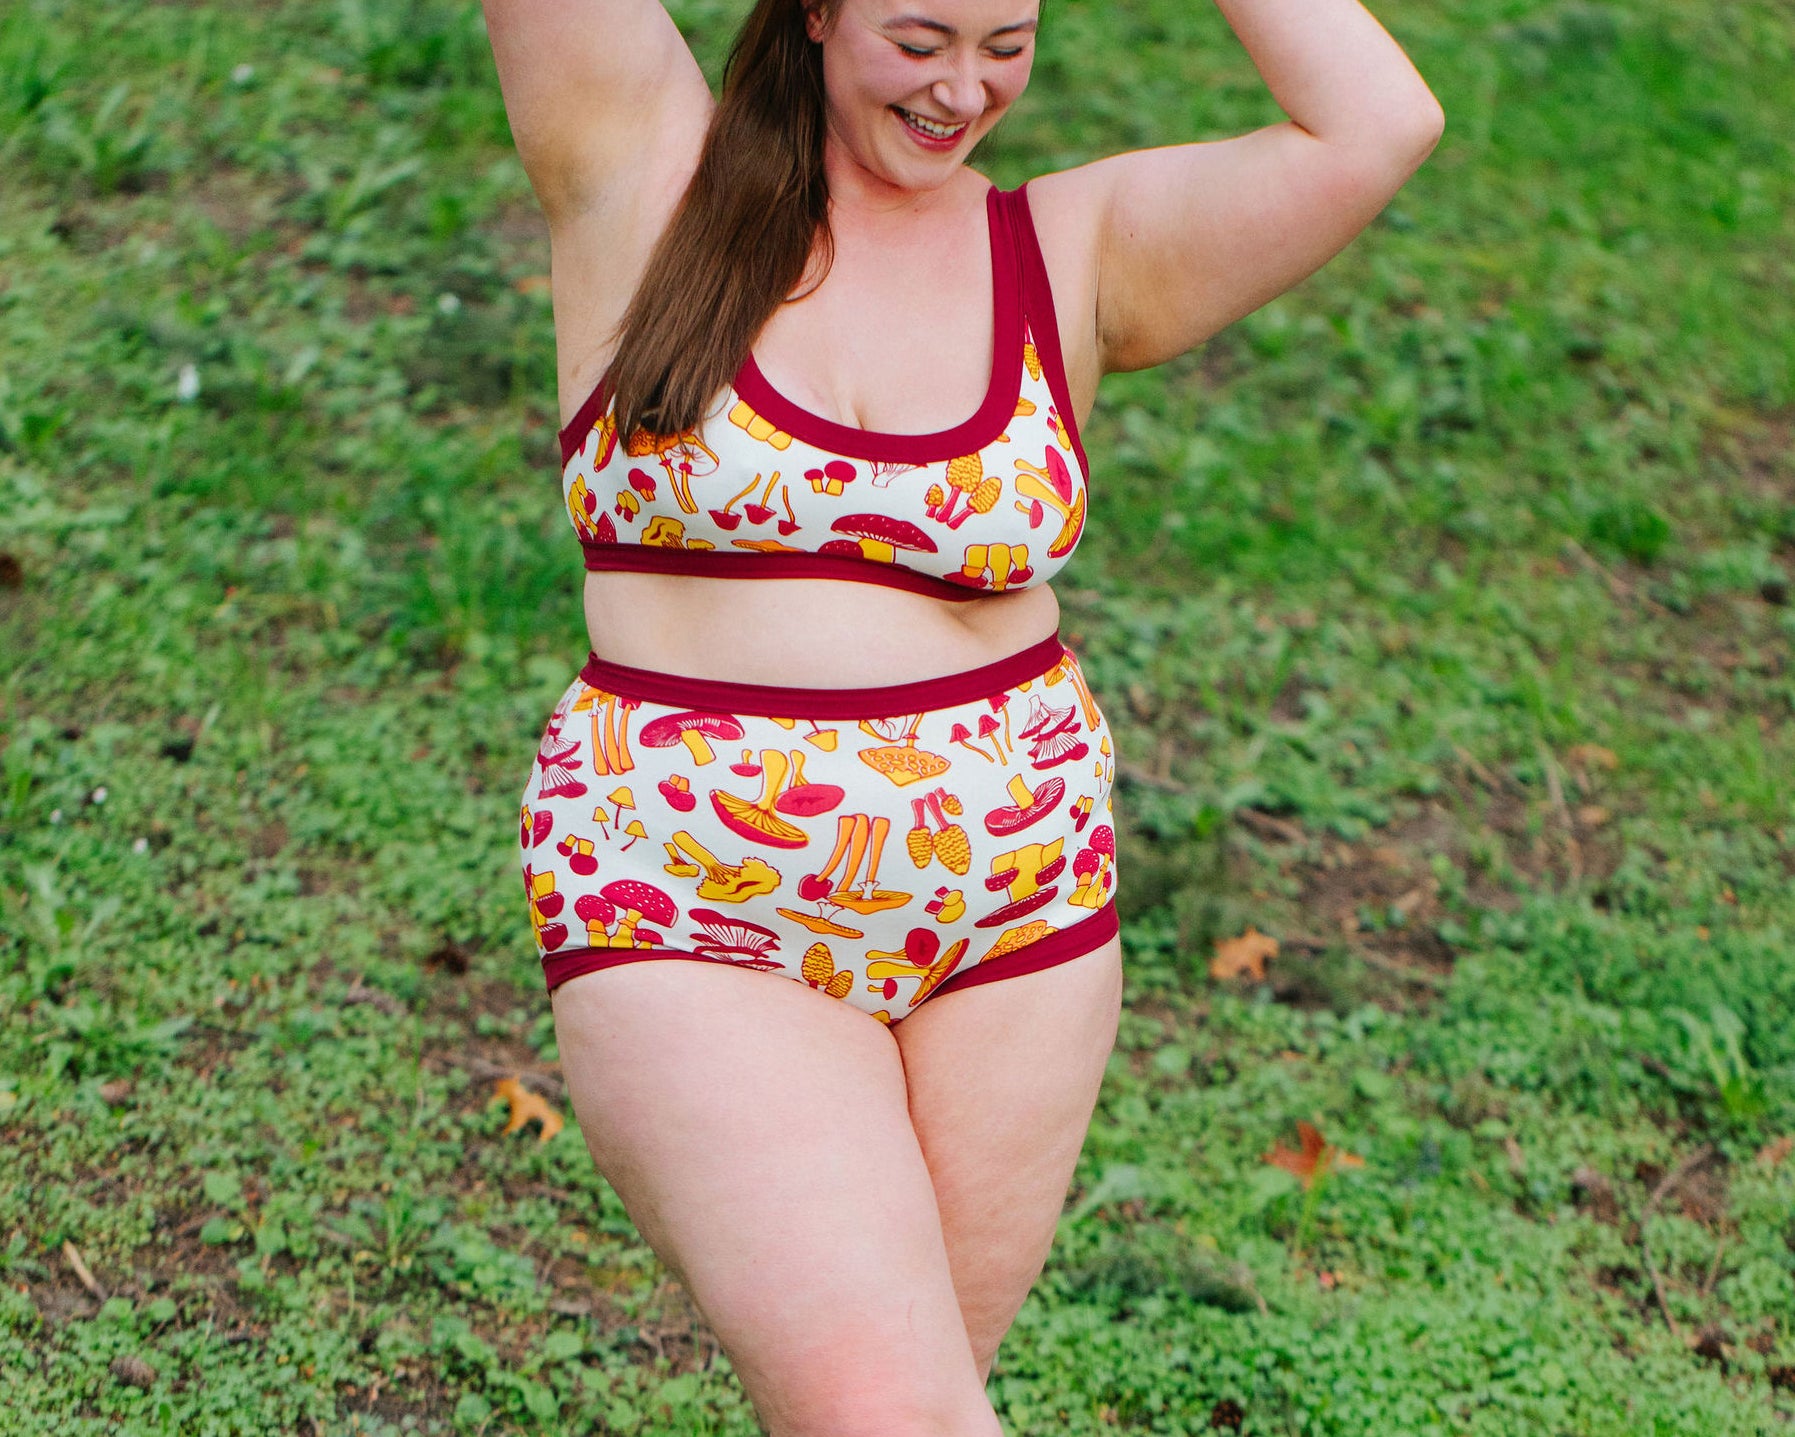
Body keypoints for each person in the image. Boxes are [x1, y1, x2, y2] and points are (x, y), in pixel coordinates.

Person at [483, 0, 1441, 1429]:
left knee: (905, 1400)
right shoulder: (642, 167)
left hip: (1016, 921)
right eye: (921, 37)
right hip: (691, 894)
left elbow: (1379, 122)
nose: (965, 87)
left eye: (1008, 39)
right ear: (816, 11)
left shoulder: (1069, 247)